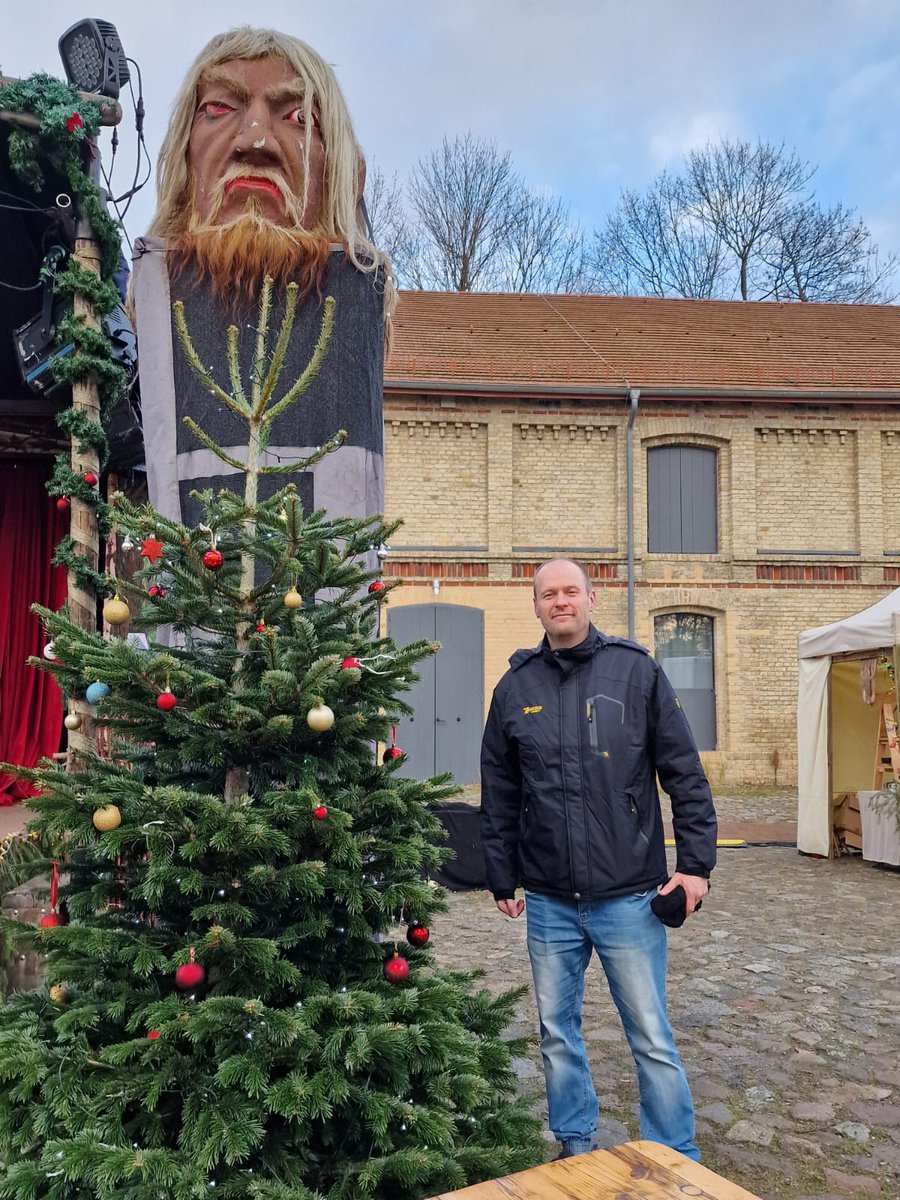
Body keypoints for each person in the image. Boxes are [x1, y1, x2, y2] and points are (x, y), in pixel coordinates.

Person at [480, 558, 717, 1162]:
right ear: (535, 606)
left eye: (570, 591)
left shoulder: (636, 673)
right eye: (547, 594)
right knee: (557, 1033)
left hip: (630, 896)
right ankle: (575, 1141)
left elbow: (684, 774)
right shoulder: (515, 689)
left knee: (651, 1036)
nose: (559, 602)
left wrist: (695, 867)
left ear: (591, 597)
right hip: (551, 901)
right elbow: (500, 791)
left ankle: (673, 1152)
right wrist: (500, 872)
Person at [132, 27, 393, 528]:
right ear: (183, 154)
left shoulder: (354, 320)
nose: (256, 141)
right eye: (220, 109)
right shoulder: (148, 317)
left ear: (349, 175)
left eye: (298, 118)